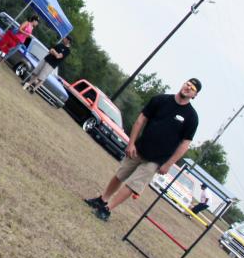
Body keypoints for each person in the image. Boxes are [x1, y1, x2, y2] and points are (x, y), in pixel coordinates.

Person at [84, 79, 201, 221]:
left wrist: (168, 164)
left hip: (156, 160)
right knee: (120, 175)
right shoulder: (160, 100)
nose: (188, 87)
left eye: (192, 88)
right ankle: (102, 200)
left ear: (194, 95)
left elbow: (185, 144)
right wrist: (131, 143)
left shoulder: (192, 117)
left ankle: (107, 209)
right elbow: (141, 120)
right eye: (187, 84)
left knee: (133, 184)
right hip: (139, 148)